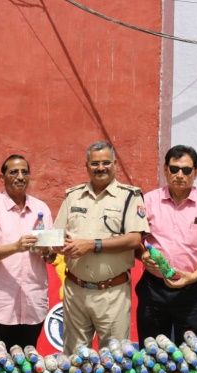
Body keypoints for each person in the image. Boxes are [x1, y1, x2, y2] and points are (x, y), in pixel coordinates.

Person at [53, 141, 149, 355]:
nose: (101, 168)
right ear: (87, 166)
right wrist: (52, 245)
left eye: (106, 162)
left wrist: (91, 245)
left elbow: (134, 239)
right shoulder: (73, 196)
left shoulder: (129, 197)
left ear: (115, 164)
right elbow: (57, 235)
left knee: (114, 360)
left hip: (111, 292)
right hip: (75, 290)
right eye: (95, 163)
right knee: (74, 359)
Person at [136, 145, 197, 346]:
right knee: (152, 354)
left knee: (191, 356)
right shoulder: (148, 201)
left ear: (196, 172)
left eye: (186, 170)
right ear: (165, 169)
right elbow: (135, 240)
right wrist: (143, 255)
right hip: (154, 290)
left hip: (192, 293)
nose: (180, 175)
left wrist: (193, 276)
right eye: (174, 169)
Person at [0, 155, 56, 354]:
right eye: (13, 172)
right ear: (2, 177)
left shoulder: (41, 209)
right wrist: (16, 247)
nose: (20, 177)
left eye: (24, 172)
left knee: (26, 368)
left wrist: (49, 253)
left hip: (32, 302)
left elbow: (49, 257)